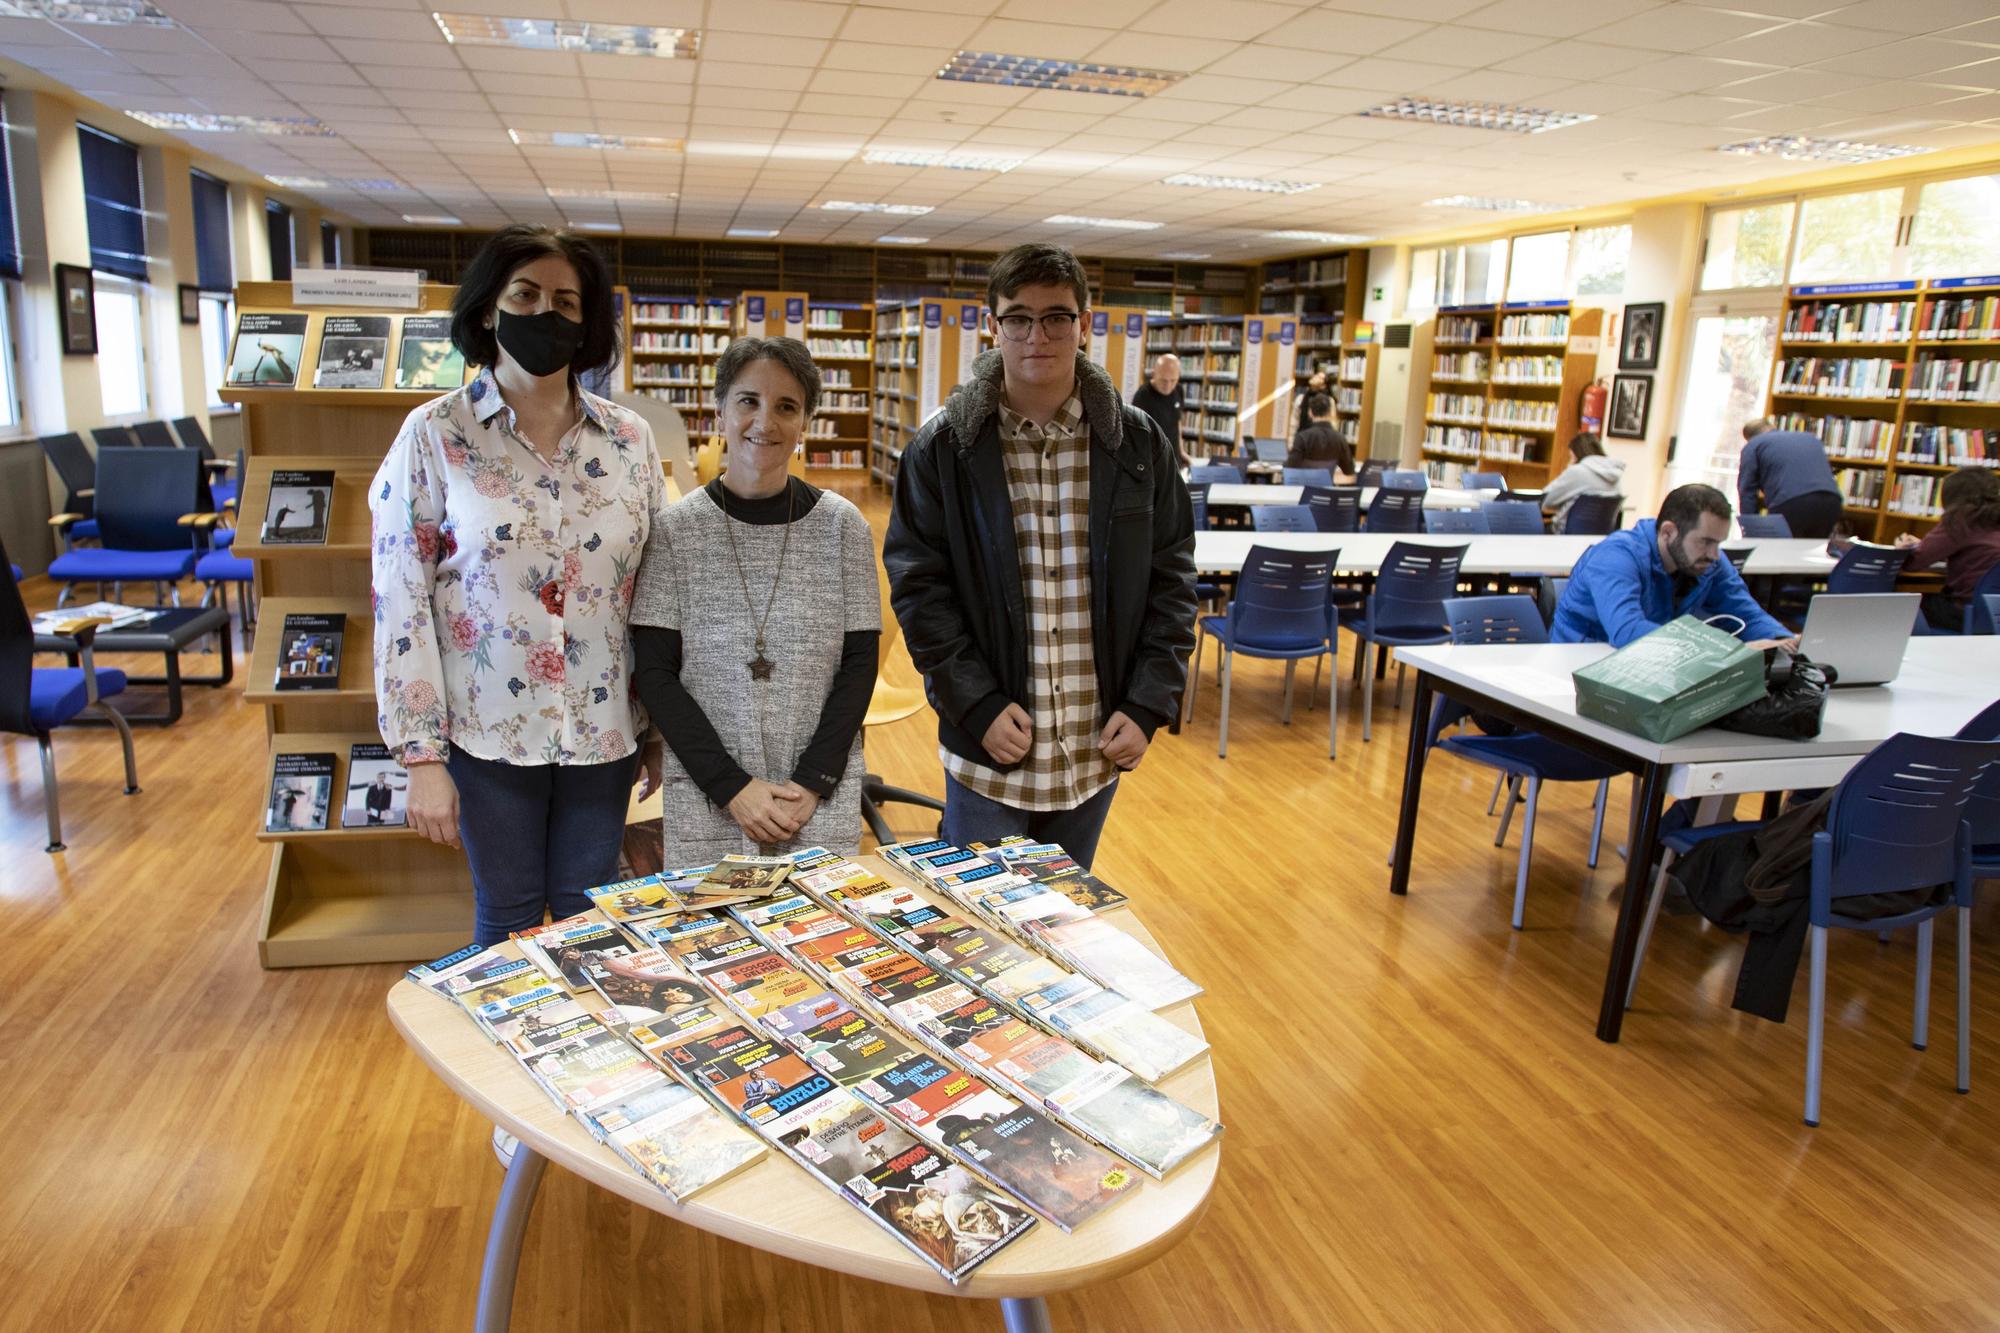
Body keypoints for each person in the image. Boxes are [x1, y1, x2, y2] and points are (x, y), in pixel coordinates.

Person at [369, 224, 665, 948]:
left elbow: (659, 588)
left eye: (567, 301)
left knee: (588, 921)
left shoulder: (630, 440)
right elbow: (399, 598)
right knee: (506, 920)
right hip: (486, 735)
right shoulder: (434, 434)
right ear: (486, 312)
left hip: (604, 734)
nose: (546, 314)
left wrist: (659, 727)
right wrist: (421, 757)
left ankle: (586, 1062)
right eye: (525, 295)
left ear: (588, 321)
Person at [883, 243, 1196, 870]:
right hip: (991, 745)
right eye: (1018, 317)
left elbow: (1172, 581)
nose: (1037, 335)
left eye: (1056, 316)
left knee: (1067, 930)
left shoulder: (1137, 445)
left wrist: (1147, 703)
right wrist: (975, 703)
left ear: (1084, 324)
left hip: (1095, 746)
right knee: (982, 940)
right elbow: (920, 591)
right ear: (993, 327)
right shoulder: (943, 449)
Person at [629, 337, 881, 866]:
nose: (765, 421)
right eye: (748, 401)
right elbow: (655, 674)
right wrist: (732, 788)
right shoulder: (675, 531)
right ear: (720, 411)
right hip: (711, 795)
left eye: (786, 406)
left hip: (814, 796)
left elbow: (859, 667)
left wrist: (813, 782)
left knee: (823, 934)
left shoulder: (843, 528)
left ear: (805, 422)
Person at [1551, 483, 1797, 649]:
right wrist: (1726, 649)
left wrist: (1784, 642)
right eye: (1705, 541)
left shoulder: (1707, 561)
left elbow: (1748, 615)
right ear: (1668, 531)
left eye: (1719, 543)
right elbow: (1627, 631)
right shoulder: (1616, 556)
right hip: (1575, 673)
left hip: (1646, 672)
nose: (1714, 555)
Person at [1896, 466, 2000, 631]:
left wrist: (1903, 549)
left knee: (1901, 604)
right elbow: (1981, 552)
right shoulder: (1993, 518)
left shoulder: (1960, 520)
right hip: (1994, 615)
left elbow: (1912, 563)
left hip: (1965, 612)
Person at [1737, 421, 1843, 537]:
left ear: (1749, 438)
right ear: (1773, 427)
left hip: (1791, 503)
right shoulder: (1809, 438)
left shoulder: (1753, 445)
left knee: (1778, 551)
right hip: (1832, 502)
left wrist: (1750, 532)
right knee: (1809, 551)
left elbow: (1747, 491)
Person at [1540, 432, 1626, 533]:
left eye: (1571, 457)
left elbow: (1545, 499)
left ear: (1576, 454)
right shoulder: (1614, 472)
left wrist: (1570, 468)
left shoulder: (1578, 471)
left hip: (1563, 534)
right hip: (1599, 537)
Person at [1129, 354, 1186, 464]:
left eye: (1173, 380)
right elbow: (1136, 435)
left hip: (1174, 459)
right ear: (1154, 374)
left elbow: (1177, 423)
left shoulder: (1179, 390)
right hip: (1152, 461)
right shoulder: (1142, 396)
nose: (1168, 386)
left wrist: (1182, 452)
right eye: (1164, 381)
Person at [1286, 392, 1355, 476]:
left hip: (1304, 486)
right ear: (1330, 412)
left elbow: (1290, 469)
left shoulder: (1302, 438)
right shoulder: (1340, 439)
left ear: (1310, 412)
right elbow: (1349, 470)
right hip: (1327, 488)